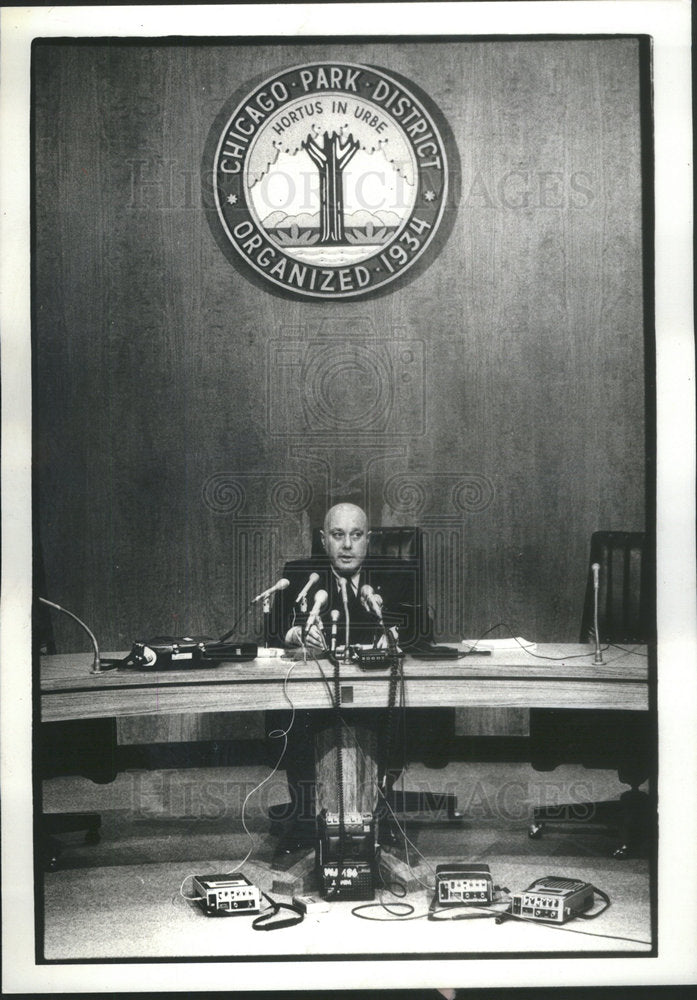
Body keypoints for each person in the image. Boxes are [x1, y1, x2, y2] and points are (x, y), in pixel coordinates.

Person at [267, 502, 434, 849]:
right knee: (292, 710)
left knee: (396, 712)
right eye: (337, 535)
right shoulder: (302, 575)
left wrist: (394, 635)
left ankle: (377, 811)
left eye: (356, 536)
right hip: (316, 696)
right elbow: (273, 628)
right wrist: (297, 635)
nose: (347, 545)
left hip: (377, 695)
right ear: (323, 540)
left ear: (368, 540)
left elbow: (422, 629)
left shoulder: (397, 574)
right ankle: (305, 814)